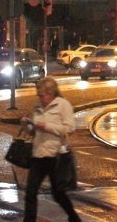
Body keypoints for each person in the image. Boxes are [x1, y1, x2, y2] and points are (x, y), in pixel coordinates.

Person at [22, 76, 81, 222]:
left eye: (42, 95)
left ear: (50, 93)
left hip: (56, 156)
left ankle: (73, 217)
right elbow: (34, 131)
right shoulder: (38, 107)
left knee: (58, 193)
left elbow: (69, 128)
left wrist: (47, 127)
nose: (40, 98)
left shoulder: (63, 105)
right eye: (38, 95)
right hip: (38, 154)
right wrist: (26, 125)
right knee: (30, 192)